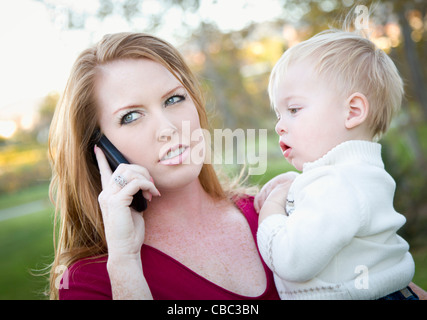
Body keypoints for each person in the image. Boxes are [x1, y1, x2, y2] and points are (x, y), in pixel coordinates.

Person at [47, 32, 280, 300]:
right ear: (100, 148)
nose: (168, 129)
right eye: (131, 116)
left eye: (173, 99)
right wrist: (126, 265)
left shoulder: (269, 214)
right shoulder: (87, 282)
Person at [255, 29, 419, 300]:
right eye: (278, 114)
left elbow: (291, 260)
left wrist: (272, 208)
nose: (279, 125)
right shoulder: (353, 178)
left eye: (294, 110)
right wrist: (294, 185)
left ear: (352, 111)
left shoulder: (338, 185)